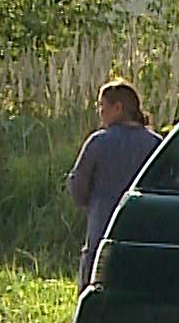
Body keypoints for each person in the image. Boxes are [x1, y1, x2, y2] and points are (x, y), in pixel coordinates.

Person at [66, 79, 162, 289]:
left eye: (102, 106)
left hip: (102, 228)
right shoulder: (157, 145)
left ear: (118, 108)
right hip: (143, 233)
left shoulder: (98, 142)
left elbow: (78, 187)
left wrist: (88, 201)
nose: (99, 112)